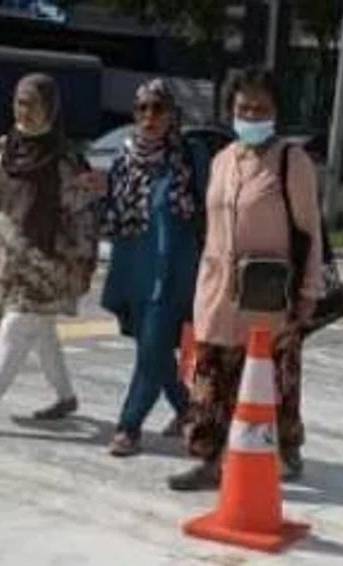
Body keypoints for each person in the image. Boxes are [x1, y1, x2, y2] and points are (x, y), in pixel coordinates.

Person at [169, 67, 323, 493]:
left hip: (268, 296)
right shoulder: (222, 161)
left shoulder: (292, 162)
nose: (251, 115)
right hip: (216, 292)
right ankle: (205, 459)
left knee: (269, 382)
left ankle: (284, 448)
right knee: (209, 380)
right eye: (243, 108)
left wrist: (308, 293)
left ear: (276, 113)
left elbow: (310, 232)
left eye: (261, 108)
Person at [0, 75, 101, 436]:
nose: (25, 110)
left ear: (50, 108)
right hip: (6, 260)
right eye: (20, 102)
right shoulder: (2, 149)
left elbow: (81, 214)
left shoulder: (65, 159)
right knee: (41, 330)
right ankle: (66, 396)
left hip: (49, 263)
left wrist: (80, 264)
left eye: (33, 103)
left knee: (17, 327)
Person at [99, 79, 203, 459]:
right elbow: (111, 212)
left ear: (173, 115)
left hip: (172, 266)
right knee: (152, 348)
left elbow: (206, 209)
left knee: (153, 347)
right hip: (133, 264)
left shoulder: (187, 158)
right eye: (141, 108)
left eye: (158, 109)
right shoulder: (124, 158)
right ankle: (187, 408)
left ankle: (129, 425)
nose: (149, 117)